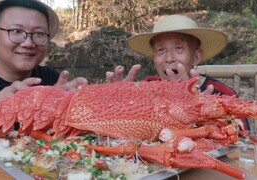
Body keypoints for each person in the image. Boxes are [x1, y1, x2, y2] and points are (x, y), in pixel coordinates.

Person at [0, 0, 88, 161]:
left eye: (38, 34)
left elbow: (70, 143)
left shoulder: (53, 81)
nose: (28, 43)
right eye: (16, 31)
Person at [106, 14, 249, 130]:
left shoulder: (222, 94)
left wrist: (195, 111)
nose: (169, 58)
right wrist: (119, 101)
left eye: (179, 48)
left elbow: (242, 145)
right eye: (160, 50)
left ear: (196, 57)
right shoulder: (147, 89)